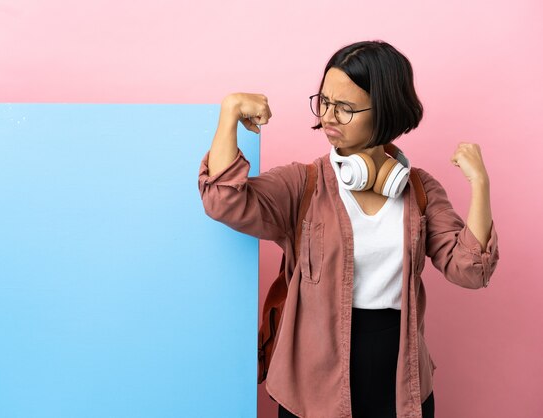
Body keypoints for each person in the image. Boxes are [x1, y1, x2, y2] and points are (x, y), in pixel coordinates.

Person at [198, 40, 499, 418]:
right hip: (313, 383)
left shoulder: (420, 191)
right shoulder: (302, 184)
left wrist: (481, 185)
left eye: (345, 108)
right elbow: (222, 200)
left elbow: (471, 271)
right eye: (323, 102)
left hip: (400, 378)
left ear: (385, 109)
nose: (328, 117)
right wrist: (229, 113)